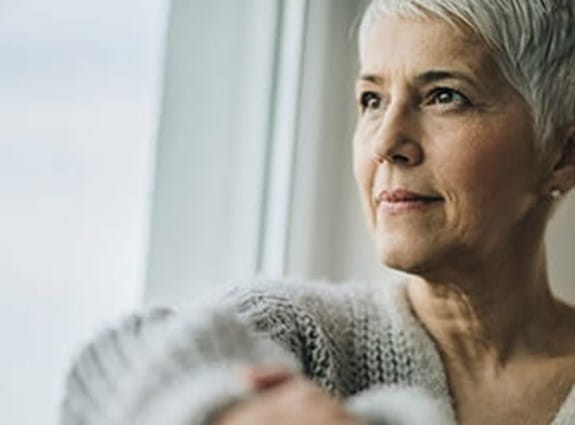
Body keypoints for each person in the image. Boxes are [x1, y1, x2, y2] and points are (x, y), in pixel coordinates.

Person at [60, 0, 575, 424]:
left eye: (444, 96)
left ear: (562, 154)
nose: (387, 142)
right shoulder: (300, 332)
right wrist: (226, 411)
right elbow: (122, 362)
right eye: (371, 100)